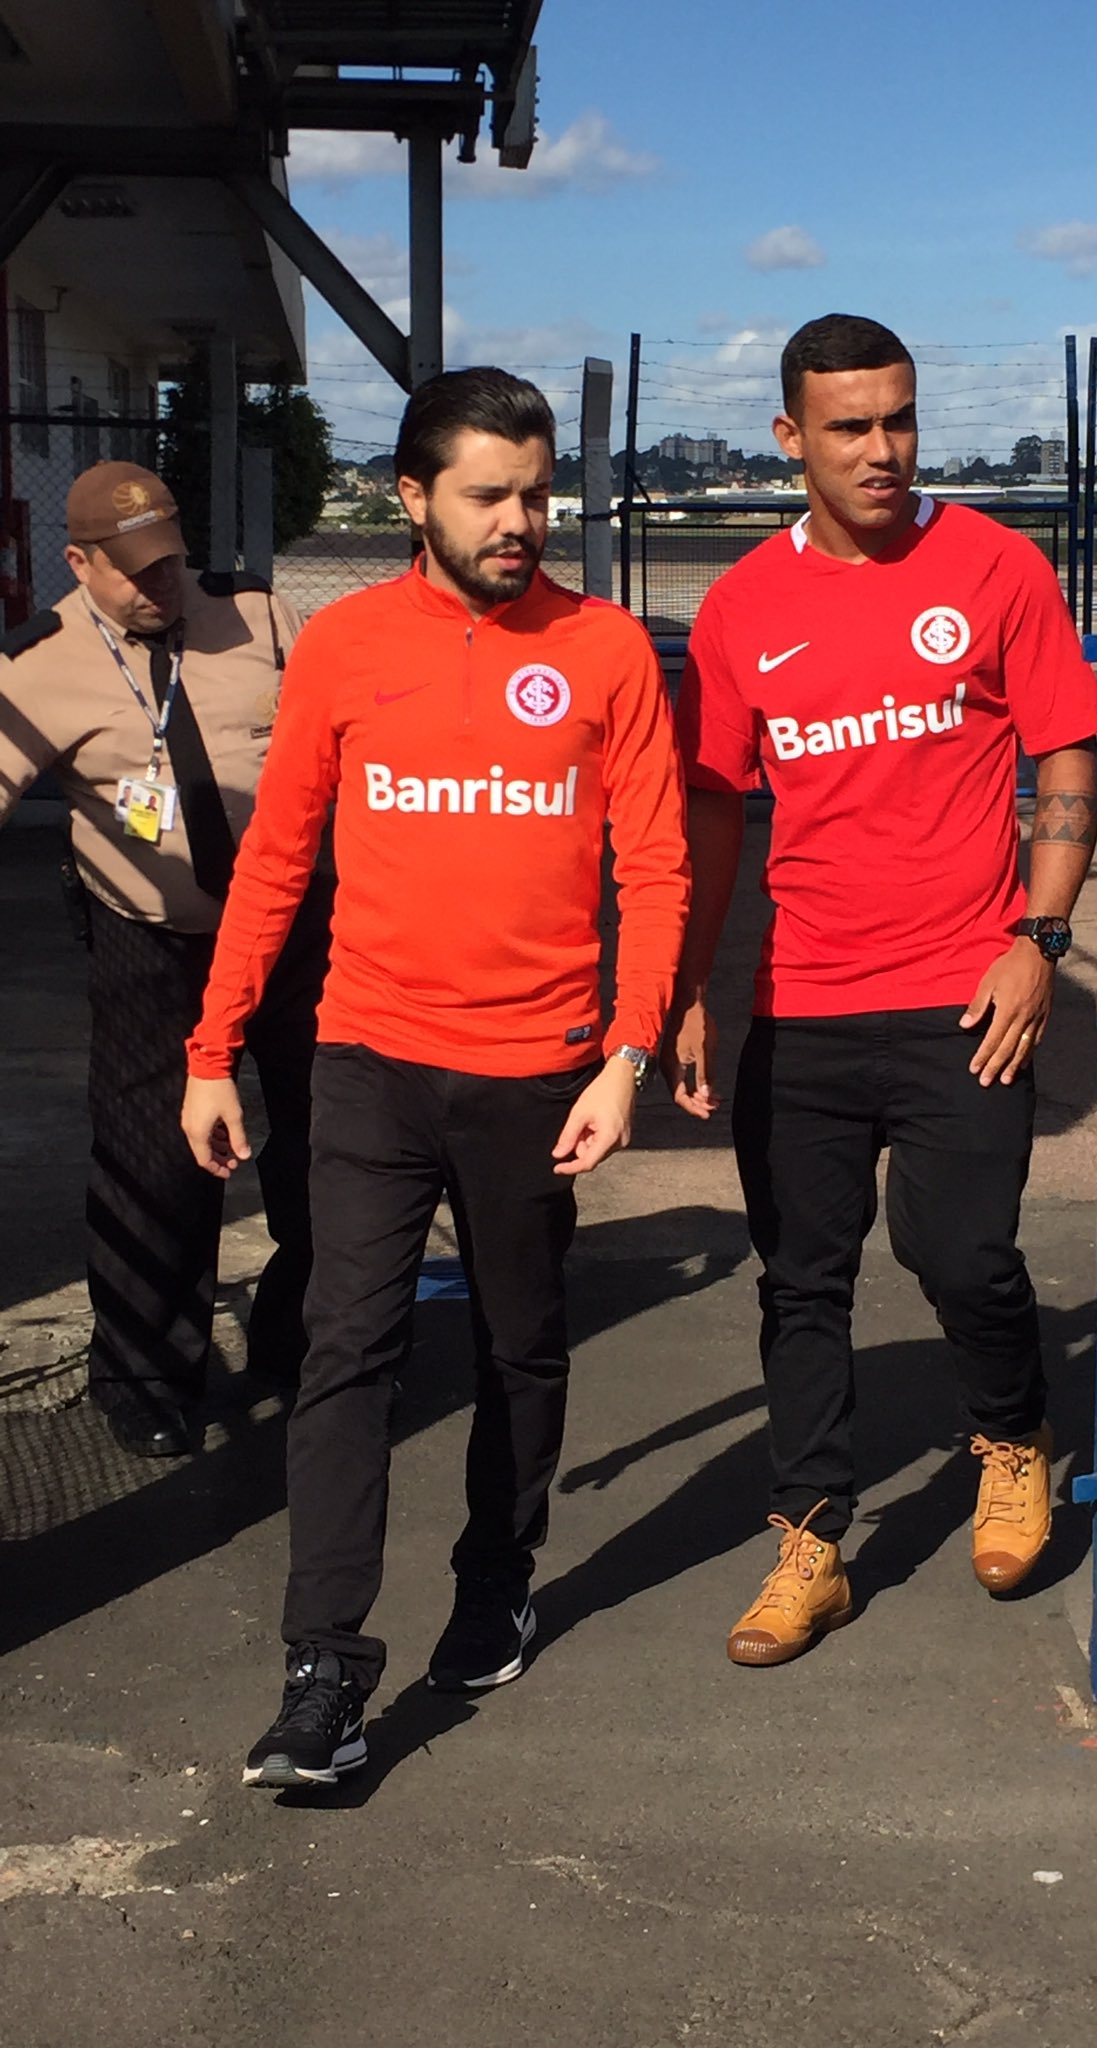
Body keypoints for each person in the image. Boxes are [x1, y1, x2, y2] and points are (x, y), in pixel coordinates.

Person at [181, 368, 689, 1787]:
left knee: (523, 1346)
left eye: (538, 494)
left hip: (537, 1072)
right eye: (491, 496)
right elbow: (278, 858)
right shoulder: (343, 648)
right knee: (348, 1348)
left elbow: (653, 868)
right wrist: (213, 1047)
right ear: (412, 500)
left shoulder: (606, 654)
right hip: (369, 1062)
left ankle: (496, 1574)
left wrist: (627, 1052)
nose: (523, 520)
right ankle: (325, 1671)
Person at [663, 314, 1097, 1666]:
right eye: (849, 427)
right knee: (801, 1280)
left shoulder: (991, 565)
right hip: (803, 1008)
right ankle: (812, 1542)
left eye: (898, 419)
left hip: (965, 994)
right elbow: (716, 812)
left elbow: (1070, 760)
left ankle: (1016, 1437)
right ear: (790, 439)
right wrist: (687, 989)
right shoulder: (742, 608)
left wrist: (1041, 937)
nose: (882, 450)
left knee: (959, 1255)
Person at [0, 460, 328, 1458]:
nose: (160, 583)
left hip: (291, 927)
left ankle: (301, 1341)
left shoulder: (260, 617)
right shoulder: (37, 661)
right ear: (78, 562)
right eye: (134, 570)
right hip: (149, 939)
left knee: (327, 1142)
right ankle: (147, 1373)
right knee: (157, 1161)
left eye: (170, 560)